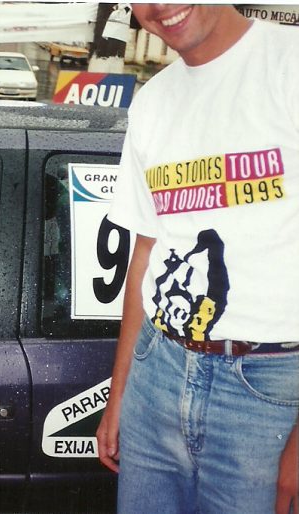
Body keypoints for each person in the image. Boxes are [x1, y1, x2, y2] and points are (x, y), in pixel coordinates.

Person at [95, 5, 298, 514]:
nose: (161, 6)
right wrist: (120, 396)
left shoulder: (288, 65)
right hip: (157, 371)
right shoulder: (152, 100)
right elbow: (146, 250)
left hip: (269, 389)